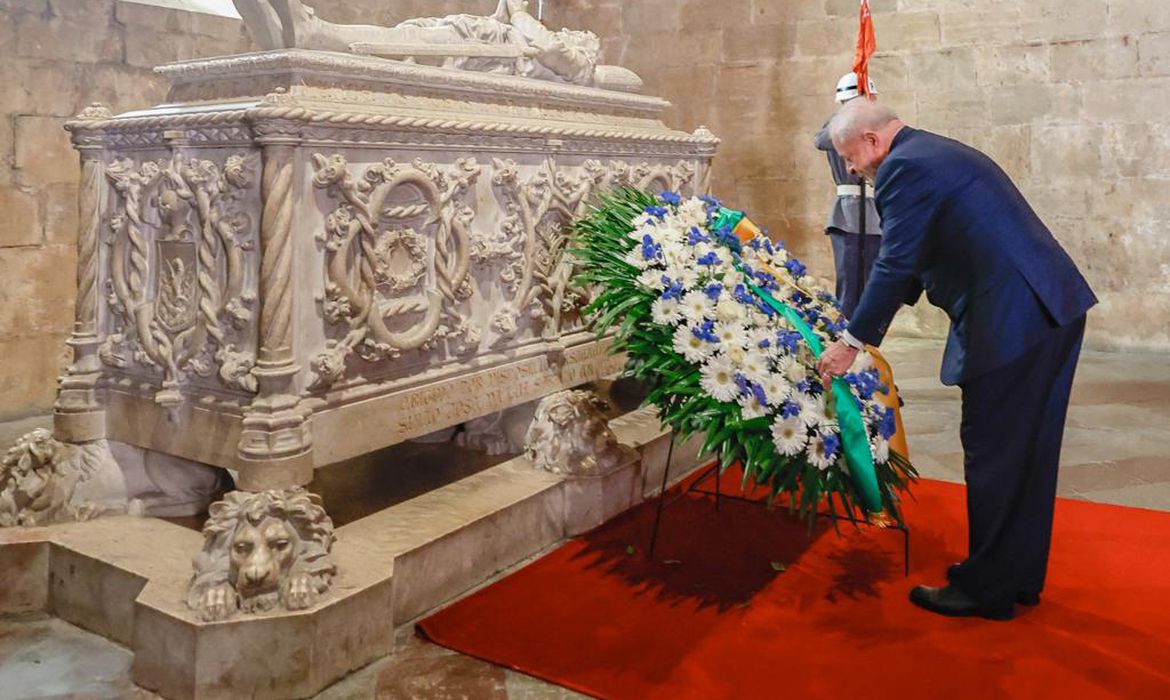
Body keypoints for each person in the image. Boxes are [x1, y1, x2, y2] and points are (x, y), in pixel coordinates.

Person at [815, 99, 1097, 621]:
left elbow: (896, 260)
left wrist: (851, 341)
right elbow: (916, 259)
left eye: (849, 157)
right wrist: (855, 321)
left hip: (1014, 319)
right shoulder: (930, 152)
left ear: (872, 141)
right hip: (1046, 307)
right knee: (1026, 454)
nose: (851, 170)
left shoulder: (903, 167)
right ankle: (1014, 576)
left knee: (993, 450)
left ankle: (986, 589)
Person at [814, 72, 882, 317]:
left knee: (873, 283)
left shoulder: (874, 125)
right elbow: (821, 141)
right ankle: (846, 331)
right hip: (849, 214)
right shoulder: (837, 125)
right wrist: (850, 119)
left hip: (874, 212)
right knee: (850, 285)